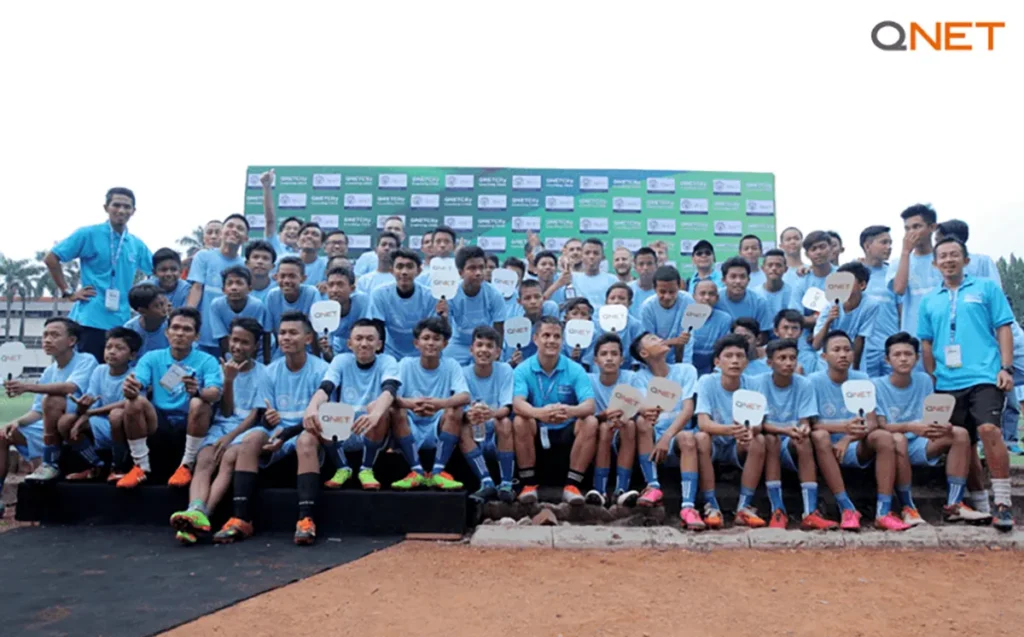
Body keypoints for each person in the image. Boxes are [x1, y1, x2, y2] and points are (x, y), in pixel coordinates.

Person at [919, 237, 1016, 531]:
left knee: (989, 430)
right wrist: (933, 376)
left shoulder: (986, 289)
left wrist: (1006, 367)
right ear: (935, 263)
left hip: (985, 375)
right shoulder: (929, 300)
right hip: (947, 381)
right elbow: (926, 342)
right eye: (943, 256)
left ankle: (1003, 503)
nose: (949, 260)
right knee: (964, 441)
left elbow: (1003, 327)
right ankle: (981, 505)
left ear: (966, 260)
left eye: (954, 255)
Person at [213, 313, 328, 545]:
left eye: (293, 333)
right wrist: (269, 421)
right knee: (251, 438)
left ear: (308, 338)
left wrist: (285, 434)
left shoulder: (322, 369)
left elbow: (322, 418)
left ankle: (306, 520)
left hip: (308, 432)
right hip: (279, 433)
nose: (286, 337)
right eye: (282, 333)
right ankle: (241, 518)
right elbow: (265, 417)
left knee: (306, 439)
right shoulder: (270, 371)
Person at [168, 318, 271, 545]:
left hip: (245, 430)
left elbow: (254, 415)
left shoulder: (263, 373)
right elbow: (225, 411)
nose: (238, 346)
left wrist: (229, 438)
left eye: (245, 342)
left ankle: (205, 514)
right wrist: (229, 381)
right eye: (235, 340)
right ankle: (194, 509)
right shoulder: (218, 368)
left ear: (255, 346)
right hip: (221, 425)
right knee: (205, 458)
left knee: (227, 458)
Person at [874, 332, 990, 526]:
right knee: (899, 439)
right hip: (893, 445)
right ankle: (908, 507)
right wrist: (910, 427)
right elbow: (880, 425)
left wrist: (942, 425)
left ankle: (954, 505)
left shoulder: (924, 381)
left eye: (908, 354)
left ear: (917, 358)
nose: (903, 359)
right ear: (887, 359)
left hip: (920, 443)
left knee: (959, 433)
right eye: (897, 354)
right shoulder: (876, 385)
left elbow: (931, 416)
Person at [808, 331, 910, 531]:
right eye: (836, 350)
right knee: (819, 436)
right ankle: (846, 507)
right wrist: (843, 427)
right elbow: (811, 424)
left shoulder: (862, 379)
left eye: (847, 349)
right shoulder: (813, 381)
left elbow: (871, 422)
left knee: (883, 437)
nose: (843, 354)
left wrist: (847, 438)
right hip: (825, 445)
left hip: (856, 443)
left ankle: (883, 511)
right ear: (824, 356)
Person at [116, 308, 223, 491]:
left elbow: (215, 393)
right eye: (175, 328)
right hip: (159, 420)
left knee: (199, 402)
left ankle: (186, 465)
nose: (180, 333)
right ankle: (141, 466)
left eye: (187, 329)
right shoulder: (151, 357)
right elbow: (139, 382)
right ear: (167, 332)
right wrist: (131, 387)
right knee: (134, 402)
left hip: (191, 420)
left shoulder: (207, 360)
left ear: (196, 336)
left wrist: (198, 391)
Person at [43, 187, 153, 361]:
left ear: (133, 211)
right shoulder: (89, 234)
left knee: (114, 371)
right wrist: (68, 292)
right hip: (91, 318)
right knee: (88, 370)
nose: (121, 210)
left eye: (127, 207)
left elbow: (156, 270)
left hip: (121, 321)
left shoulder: (135, 244)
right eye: (116, 205)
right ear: (106, 207)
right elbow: (51, 258)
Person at [303, 318, 398, 493]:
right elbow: (326, 388)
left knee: (380, 407)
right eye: (358, 338)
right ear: (349, 344)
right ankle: (342, 468)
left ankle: (366, 469)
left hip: (373, 426)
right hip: (343, 427)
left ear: (379, 344)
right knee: (322, 408)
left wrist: (375, 414)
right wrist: (311, 407)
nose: (364, 344)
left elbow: (389, 390)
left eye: (370, 339)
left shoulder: (388, 361)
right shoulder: (341, 360)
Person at [511, 317, 599, 505]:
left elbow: (590, 405)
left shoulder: (575, 369)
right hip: (537, 428)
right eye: (546, 335)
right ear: (535, 339)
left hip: (566, 428)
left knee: (590, 421)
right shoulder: (523, 369)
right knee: (520, 420)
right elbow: (517, 403)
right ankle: (528, 485)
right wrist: (539, 413)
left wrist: (569, 411)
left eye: (557, 336)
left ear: (563, 340)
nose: (551, 340)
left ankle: (572, 486)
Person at [757, 339, 838, 530]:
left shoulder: (804, 383)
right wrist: (785, 430)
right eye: (782, 358)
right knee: (771, 439)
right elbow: (759, 424)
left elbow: (805, 420)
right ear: (769, 363)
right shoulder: (759, 382)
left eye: (792, 358)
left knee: (804, 440)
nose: (788, 363)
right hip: (772, 438)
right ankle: (777, 510)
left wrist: (804, 429)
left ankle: (810, 512)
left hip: (792, 440)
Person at [5, 318, 98, 482]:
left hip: (77, 419)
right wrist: (17, 422)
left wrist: (28, 387)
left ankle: (50, 464)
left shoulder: (86, 360)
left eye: (54, 335)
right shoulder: (49, 371)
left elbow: (69, 387)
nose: (47, 340)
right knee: (3, 434)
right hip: (50, 422)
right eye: (45, 335)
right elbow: (37, 412)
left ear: (72, 341)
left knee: (53, 400)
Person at [692, 335, 766, 529]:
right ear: (717, 361)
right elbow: (703, 422)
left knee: (759, 440)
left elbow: (759, 423)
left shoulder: (754, 384)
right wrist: (731, 430)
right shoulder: (707, 381)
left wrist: (748, 431)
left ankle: (744, 506)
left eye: (740, 356)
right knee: (701, 437)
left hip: (738, 443)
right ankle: (711, 505)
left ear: (746, 362)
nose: (735, 361)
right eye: (729, 356)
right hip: (715, 440)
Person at [389, 318, 471, 490]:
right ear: (416, 343)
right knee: (395, 409)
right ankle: (417, 471)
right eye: (426, 338)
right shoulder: (405, 364)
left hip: (438, 422)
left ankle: (438, 471)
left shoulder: (451, 365)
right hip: (411, 421)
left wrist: (440, 404)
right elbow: (391, 396)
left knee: (455, 410)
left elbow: (465, 396)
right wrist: (412, 404)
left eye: (436, 339)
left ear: (445, 344)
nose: (431, 343)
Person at [630, 332, 699, 515]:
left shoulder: (686, 370)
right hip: (654, 434)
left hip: (678, 434)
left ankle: (688, 507)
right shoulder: (639, 378)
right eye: (653, 339)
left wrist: (667, 437)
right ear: (644, 353)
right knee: (642, 421)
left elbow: (688, 410)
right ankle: (653, 486)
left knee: (687, 438)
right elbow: (647, 410)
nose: (660, 339)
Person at [59, 327, 140, 482]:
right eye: (108, 347)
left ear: (132, 355)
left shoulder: (134, 374)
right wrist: (83, 409)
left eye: (119, 348)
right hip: (100, 420)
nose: (112, 352)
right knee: (66, 422)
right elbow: (92, 403)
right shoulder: (99, 371)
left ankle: (118, 467)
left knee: (116, 416)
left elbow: (127, 403)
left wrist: (89, 413)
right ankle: (95, 465)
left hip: (124, 425)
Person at [461, 326, 514, 502]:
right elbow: (463, 408)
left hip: (496, 426)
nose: (484, 350)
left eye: (489, 346)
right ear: (471, 349)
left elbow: (507, 407)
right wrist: (470, 414)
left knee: (504, 421)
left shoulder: (505, 369)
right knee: (462, 427)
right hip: (475, 428)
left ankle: (506, 483)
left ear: (498, 352)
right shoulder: (463, 373)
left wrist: (491, 413)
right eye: (479, 345)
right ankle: (486, 482)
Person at [586, 333, 639, 507]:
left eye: (614, 354)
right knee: (604, 428)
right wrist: (604, 415)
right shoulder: (589, 380)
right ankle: (600, 489)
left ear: (622, 360)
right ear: (595, 360)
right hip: (601, 427)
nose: (609, 358)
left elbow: (639, 404)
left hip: (625, 425)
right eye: (604, 354)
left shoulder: (631, 378)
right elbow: (587, 412)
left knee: (629, 425)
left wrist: (624, 416)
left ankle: (621, 489)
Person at [186, 214, 249, 357]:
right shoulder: (203, 256)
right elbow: (196, 288)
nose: (234, 230)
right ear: (222, 232)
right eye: (230, 226)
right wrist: (187, 318)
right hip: (202, 337)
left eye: (240, 228)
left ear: (246, 238)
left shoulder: (245, 265)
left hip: (231, 341)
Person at [437, 246, 506, 365]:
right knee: (445, 363)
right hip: (458, 344)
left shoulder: (494, 294)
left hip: (486, 342)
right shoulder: (450, 294)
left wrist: (496, 356)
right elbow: (446, 331)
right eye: (472, 268)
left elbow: (499, 328)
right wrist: (443, 318)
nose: (478, 273)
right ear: (460, 272)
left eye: (481, 267)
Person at [368, 249, 438, 360]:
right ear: (391, 270)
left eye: (409, 267)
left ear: (419, 271)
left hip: (420, 353)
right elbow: (378, 329)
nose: (404, 272)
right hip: (390, 353)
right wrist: (380, 359)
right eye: (399, 267)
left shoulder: (431, 296)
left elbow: (432, 331)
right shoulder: (379, 294)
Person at [811, 262, 879, 373]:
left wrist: (855, 371)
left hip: (853, 360)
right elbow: (816, 345)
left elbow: (860, 338)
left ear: (862, 285)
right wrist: (828, 321)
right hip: (827, 365)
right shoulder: (829, 304)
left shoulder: (870, 305)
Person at [888, 204, 942, 336]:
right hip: (914, 334)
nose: (911, 232)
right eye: (907, 228)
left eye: (917, 227)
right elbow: (899, 289)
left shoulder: (944, 259)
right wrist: (906, 252)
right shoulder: (898, 262)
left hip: (943, 331)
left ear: (932, 227)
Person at [209, 266, 272, 363]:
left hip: (255, 351)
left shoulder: (257, 305)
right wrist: (232, 360)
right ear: (223, 289)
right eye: (230, 283)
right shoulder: (216, 305)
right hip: (231, 349)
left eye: (239, 283)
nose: (234, 288)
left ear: (250, 288)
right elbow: (222, 337)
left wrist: (258, 362)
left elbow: (259, 336)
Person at [859, 225, 899, 376]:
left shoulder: (894, 274)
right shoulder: (852, 274)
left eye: (890, 243)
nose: (888, 247)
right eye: (883, 242)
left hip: (891, 348)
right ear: (867, 246)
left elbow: (901, 310)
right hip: (865, 349)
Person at [264, 256, 320, 358]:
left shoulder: (311, 293)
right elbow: (268, 332)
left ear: (303, 278)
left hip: (308, 350)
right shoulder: (272, 296)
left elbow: (315, 330)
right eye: (282, 276)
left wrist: (317, 357)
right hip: (283, 349)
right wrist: (267, 361)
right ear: (276, 277)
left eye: (292, 276)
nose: (286, 280)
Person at [640, 265, 695, 364]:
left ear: (679, 287)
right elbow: (648, 344)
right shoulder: (647, 307)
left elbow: (688, 339)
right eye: (662, 292)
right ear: (654, 289)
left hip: (681, 356)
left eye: (672, 292)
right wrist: (672, 341)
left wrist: (686, 365)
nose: (667, 296)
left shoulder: (688, 301)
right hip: (656, 360)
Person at [786, 230, 836, 331]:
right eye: (813, 249)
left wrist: (815, 318)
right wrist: (821, 318)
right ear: (807, 254)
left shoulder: (843, 275)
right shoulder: (801, 281)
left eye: (822, 247)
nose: (818, 252)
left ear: (831, 248)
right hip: (807, 337)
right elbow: (795, 318)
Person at [547, 238, 618, 309]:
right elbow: (546, 299)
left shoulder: (613, 280)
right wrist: (559, 282)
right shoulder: (569, 277)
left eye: (596, 253)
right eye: (587, 253)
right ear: (582, 256)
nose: (591, 256)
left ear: (602, 257)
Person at [319, 266, 370, 361]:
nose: (334, 290)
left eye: (340, 285)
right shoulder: (322, 311)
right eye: (331, 285)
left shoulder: (362, 302)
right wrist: (326, 352)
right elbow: (329, 355)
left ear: (352, 288)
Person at [503, 278, 559, 366]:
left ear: (543, 298)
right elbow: (508, 357)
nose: (533, 301)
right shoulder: (515, 324)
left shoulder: (551, 309)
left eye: (537, 297)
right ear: (519, 301)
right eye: (527, 298)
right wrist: (513, 361)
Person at [684, 280, 733, 375]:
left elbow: (724, 348)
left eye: (711, 294)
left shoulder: (724, 319)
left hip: (713, 367)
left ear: (717, 298)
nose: (707, 298)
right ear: (694, 297)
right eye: (702, 294)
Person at [716, 256, 772, 337]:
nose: (738, 281)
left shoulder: (759, 302)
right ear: (724, 280)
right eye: (733, 277)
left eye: (742, 277)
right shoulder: (715, 298)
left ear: (748, 280)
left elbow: (763, 334)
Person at [933, 219, 1001, 285]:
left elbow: (995, 288)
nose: (936, 245)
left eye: (938, 240)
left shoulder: (983, 261)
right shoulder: (937, 264)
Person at [593, 283, 644, 370]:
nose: (616, 301)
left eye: (622, 298)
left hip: (627, 368)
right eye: (612, 298)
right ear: (606, 302)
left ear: (630, 303)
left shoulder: (635, 325)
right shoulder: (597, 324)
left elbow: (637, 351)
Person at [260, 169, 300, 257]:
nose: (292, 231)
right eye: (288, 228)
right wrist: (267, 186)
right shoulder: (274, 246)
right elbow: (270, 221)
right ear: (280, 234)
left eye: (296, 229)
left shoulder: (307, 255)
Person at [124, 283, 170, 357]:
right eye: (158, 306)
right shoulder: (129, 330)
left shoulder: (172, 327)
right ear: (142, 311)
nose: (165, 309)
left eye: (164, 303)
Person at [774, 309, 820, 375]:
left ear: (801, 332)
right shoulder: (766, 354)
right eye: (785, 328)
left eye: (794, 328)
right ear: (776, 331)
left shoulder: (809, 358)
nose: (790, 332)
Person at [287, 221, 328, 287]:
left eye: (315, 234)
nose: (309, 236)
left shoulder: (327, 265)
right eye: (305, 233)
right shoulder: (284, 261)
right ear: (297, 240)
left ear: (322, 244)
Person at [756, 249, 793, 322]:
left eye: (778, 265)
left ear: (786, 269)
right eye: (770, 265)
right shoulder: (755, 294)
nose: (774, 268)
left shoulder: (793, 294)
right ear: (763, 268)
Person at [561, 297, 596, 370]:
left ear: (589, 319)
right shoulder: (560, 335)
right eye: (574, 314)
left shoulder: (594, 336)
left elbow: (588, 363)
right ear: (566, 318)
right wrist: (572, 359)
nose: (579, 317)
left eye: (583, 314)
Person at [628, 247, 658, 314]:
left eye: (649, 264)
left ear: (656, 266)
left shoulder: (662, 291)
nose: (645, 268)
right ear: (635, 267)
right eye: (641, 264)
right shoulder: (627, 289)